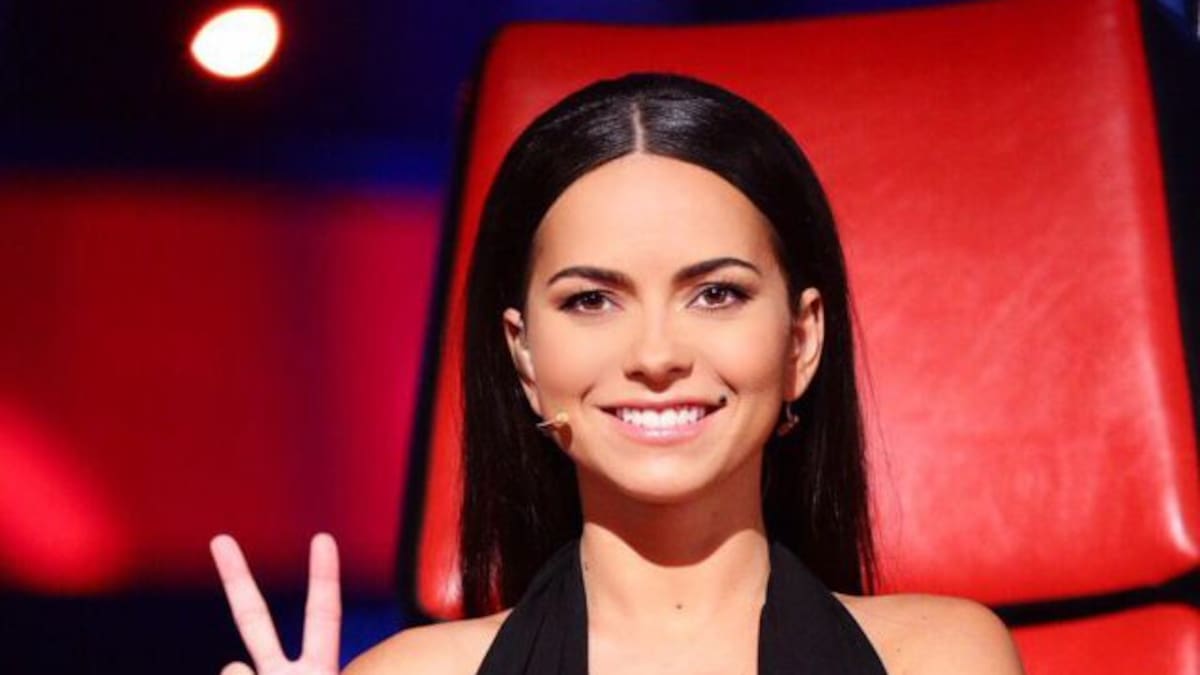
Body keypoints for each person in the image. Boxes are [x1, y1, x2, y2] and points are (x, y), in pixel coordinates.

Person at [211, 73, 1026, 674]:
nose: (656, 354)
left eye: (716, 293)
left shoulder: (942, 657)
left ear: (802, 341)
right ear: (525, 356)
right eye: (593, 300)